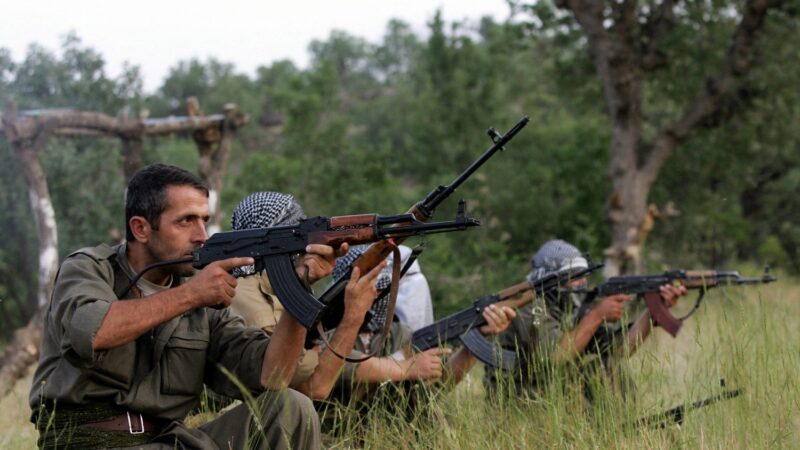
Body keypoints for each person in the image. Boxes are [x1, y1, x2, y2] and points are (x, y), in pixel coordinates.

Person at [28, 164, 375, 450]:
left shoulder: (204, 301)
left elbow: (274, 375)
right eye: (186, 221)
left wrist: (299, 286)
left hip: (171, 441)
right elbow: (93, 331)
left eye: (204, 220)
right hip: (87, 442)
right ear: (141, 228)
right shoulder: (90, 268)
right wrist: (191, 295)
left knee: (291, 408)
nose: (201, 235)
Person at [227, 192, 516, 406]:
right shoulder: (249, 298)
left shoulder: (395, 335)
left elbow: (431, 391)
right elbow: (312, 381)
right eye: (295, 228)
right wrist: (399, 364)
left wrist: (476, 339)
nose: (377, 293)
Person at [484, 239, 687, 400]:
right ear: (550, 278)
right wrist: (597, 316)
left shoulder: (575, 306)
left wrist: (653, 310)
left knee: (607, 367)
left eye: (584, 275)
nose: (582, 282)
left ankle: (619, 432)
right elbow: (554, 356)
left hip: (554, 393)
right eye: (574, 276)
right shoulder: (526, 307)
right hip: (519, 399)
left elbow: (620, 350)